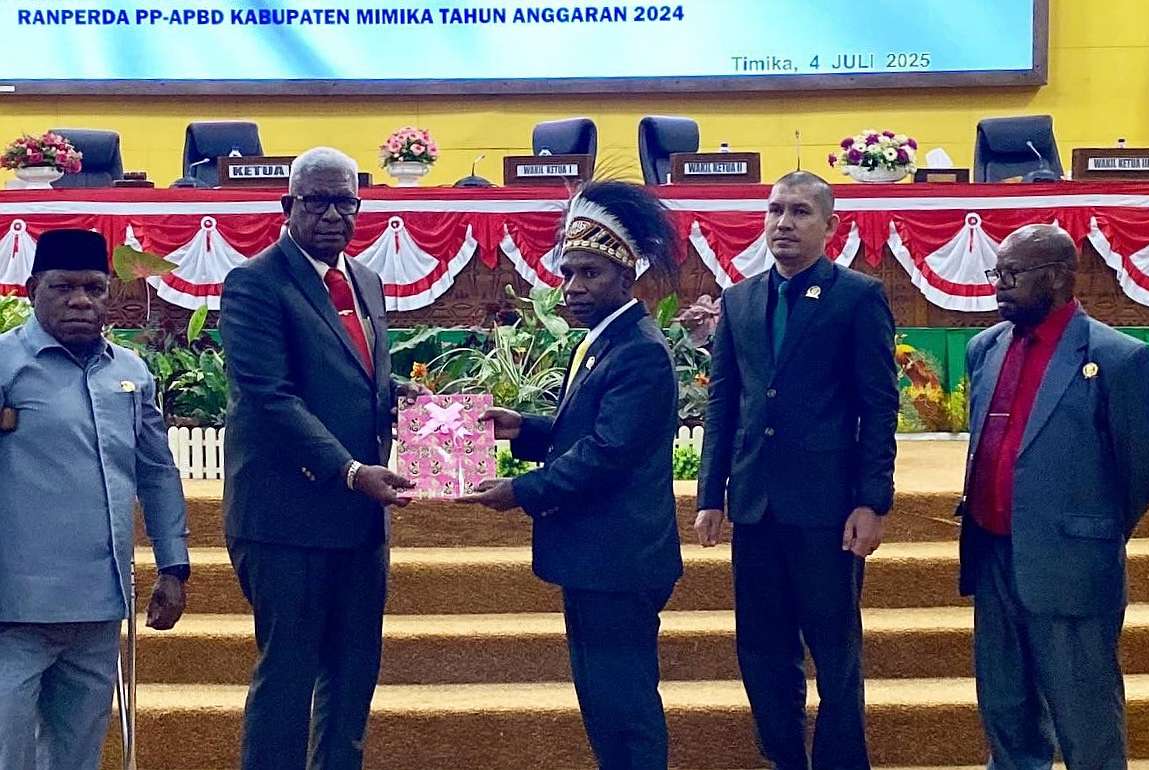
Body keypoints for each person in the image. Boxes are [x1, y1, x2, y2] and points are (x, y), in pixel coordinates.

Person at [461, 180, 684, 770]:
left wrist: (518, 492)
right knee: (604, 704)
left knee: (625, 708)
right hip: (600, 557)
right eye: (568, 273)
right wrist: (525, 429)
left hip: (619, 560)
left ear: (625, 275)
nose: (573, 288)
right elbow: (591, 431)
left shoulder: (637, 349)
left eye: (590, 274)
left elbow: (608, 454)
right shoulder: (608, 338)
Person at [694, 170, 899, 770]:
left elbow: (878, 406)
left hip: (827, 509)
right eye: (776, 210)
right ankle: (783, 759)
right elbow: (723, 403)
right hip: (756, 506)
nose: (784, 223)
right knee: (761, 651)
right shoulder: (740, 299)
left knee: (836, 657)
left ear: (831, 226)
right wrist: (712, 495)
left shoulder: (857, 296)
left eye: (801, 212)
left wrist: (872, 501)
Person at [219, 147, 415, 770]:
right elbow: (268, 397)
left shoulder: (367, 281)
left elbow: (350, 379)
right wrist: (351, 470)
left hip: (358, 522)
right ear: (288, 206)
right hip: (287, 519)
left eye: (345, 202)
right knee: (289, 677)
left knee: (354, 675)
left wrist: (398, 399)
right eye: (317, 201)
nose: (333, 214)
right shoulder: (254, 283)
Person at [959, 223, 1149, 770]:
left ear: (1055, 278)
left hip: (1071, 563)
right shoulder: (985, 348)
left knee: (1085, 719)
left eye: (1012, 275)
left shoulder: (1120, 359)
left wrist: (1086, 532)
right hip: (994, 557)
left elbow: (1140, 472)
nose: (998, 286)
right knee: (1005, 712)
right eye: (996, 274)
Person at [0, 228, 189, 770]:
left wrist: (173, 566)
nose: (81, 301)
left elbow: (156, 471)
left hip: (98, 606)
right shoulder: (7, 366)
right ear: (33, 288)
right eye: (63, 288)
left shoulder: (131, 373)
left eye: (94, 288)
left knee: (77, 758)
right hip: (15, 610)